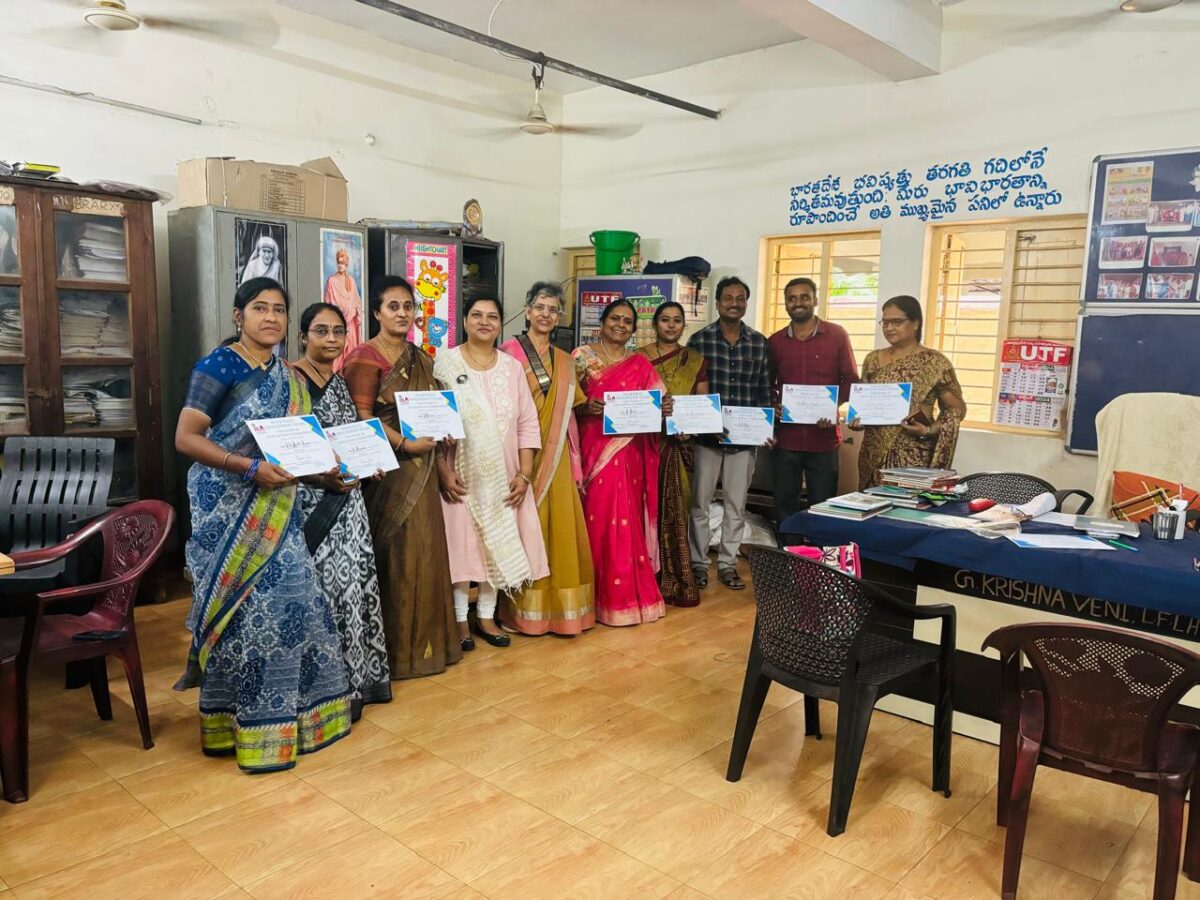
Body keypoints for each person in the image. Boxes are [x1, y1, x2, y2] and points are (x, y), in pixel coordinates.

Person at [174, 277, 351, 772]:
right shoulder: (219, 366)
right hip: (227, 509)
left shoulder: (288, 377)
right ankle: (237, 728)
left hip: (278, 512)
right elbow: (186, 438)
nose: (270, 317)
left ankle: (292, 723)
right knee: (242, 619)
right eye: (259, 307)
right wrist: (248, 467)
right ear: (239, 315)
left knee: (294, 608)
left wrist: (328, 474)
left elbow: (295, 451)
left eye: (278, 308)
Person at [342, 276, 461, 677]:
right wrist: (405, 444)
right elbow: (361, 417)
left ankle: (429, 648)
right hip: (387, 471)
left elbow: (437, 414)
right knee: (397, 556)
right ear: (376, 313)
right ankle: (392, 654)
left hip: (424, 471)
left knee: (427, 554)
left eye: (408, 306)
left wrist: (442, 459)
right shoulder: (364, 357)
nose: (402, 313)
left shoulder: (421, 358)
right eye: (393, 306)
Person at [292, 302, 391, 719]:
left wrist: (371, 462)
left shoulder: (338, 383)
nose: (331, 339)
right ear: (303, 336)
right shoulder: (290, 380)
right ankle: (320, 692)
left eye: (338, 332)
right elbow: (286, 446)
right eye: (321, 331)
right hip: (309, 504)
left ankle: (354, 685)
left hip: (349, 504)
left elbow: (351, 438)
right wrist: (321, 477)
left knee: (351, 590)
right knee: (319, 594)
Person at [434, 296, 547, 649]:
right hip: (459, 473)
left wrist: (525, 474)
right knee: (461, 546)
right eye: (477, 315)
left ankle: (486, 615)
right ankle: (459, 619)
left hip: (504, 474)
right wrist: (442, 469)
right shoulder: (444, 363)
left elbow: (527, 422)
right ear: (465, 321)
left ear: (500, 324)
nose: (484, 322)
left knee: (496, 542)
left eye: (492, 316)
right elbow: (432, 419)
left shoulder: (512, 368)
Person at [498, 282, 596, 635]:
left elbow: (570, 410)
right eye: (540, 307)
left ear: (559, 317)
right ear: (527, 311)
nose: (545, 314)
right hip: (519, 453)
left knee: (560, 528)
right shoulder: (506, 353)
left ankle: (564, 612)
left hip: (557, 455)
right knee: (526, 526)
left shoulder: (566, 361)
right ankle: (521, 610)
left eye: (553, 309)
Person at [575, 298, 668, 626]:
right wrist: (586, 407)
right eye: (615, 318)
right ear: (602, 323)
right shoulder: (581, 357)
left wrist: (665, 408)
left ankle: (625, 599)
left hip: (629, 453)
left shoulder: (639, 363)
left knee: (626, 519)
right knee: (596, 519)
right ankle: (593, 600)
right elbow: (564, 404)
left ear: (633, 329)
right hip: (593, 451)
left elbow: (658, 401)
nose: (620, 325)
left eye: (627, 321)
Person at [686, 276, 771, 591]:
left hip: (744, 440)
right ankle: (698, 563)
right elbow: (690, 390)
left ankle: (727, 564)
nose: (734, 304)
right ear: (718, 303)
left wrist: (766, 428)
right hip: (706, 439)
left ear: (746, 303)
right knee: (700, 503)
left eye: (740, 298)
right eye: (728, 298)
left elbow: (764, 389)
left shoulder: (759, 343)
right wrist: (696, 425)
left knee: (737, 505)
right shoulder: (699, 341)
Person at [850, 295, 967, 488]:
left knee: (908, 502)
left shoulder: (935, 362)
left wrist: (929, 430)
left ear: (916, 323)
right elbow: (866, 403)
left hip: (913, 452)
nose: (889, 328)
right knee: (872, 501)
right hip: (873, 452)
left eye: (896, 322)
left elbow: (956, 410)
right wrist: (858, 421)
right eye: (885, 322)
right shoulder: (873, 360)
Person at [766, 277, 859, 521]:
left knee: (823, 507)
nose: (798, 303)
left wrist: (831, 408)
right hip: (786, 440)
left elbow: (850, 379)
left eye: (804, 297)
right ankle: (787, 546)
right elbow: (767, 384)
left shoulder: (837, 335)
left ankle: (818, 547)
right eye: (792, 298)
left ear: (815, 300)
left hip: (824, 439)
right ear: (786, 303)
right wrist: (773, 405)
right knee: (785, 506)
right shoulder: (775, 341)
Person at [636, 301, 708, 608]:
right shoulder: (638, 358)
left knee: (676, 509)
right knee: (643, 509)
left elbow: (701, 403)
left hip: (679, 446)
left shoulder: (695, 360)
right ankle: (643, 579)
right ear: (655, 324)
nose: (671, 325)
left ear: (683, 326)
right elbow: (631, 399)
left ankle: (676, 579)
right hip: (644, 443)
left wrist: (690, 428)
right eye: (665, 320)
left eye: (677, 320)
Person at [322, 248, 363, 368]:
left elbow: (356, 301)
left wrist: (357, 314)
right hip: (338, 324)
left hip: (351, 324)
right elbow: (327, 303)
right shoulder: (331, 281)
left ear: (347, 264)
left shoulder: (351, 281)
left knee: (350, 354)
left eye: (342, 263)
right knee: (338, 355)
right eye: (338, 262)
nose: (340, 265)